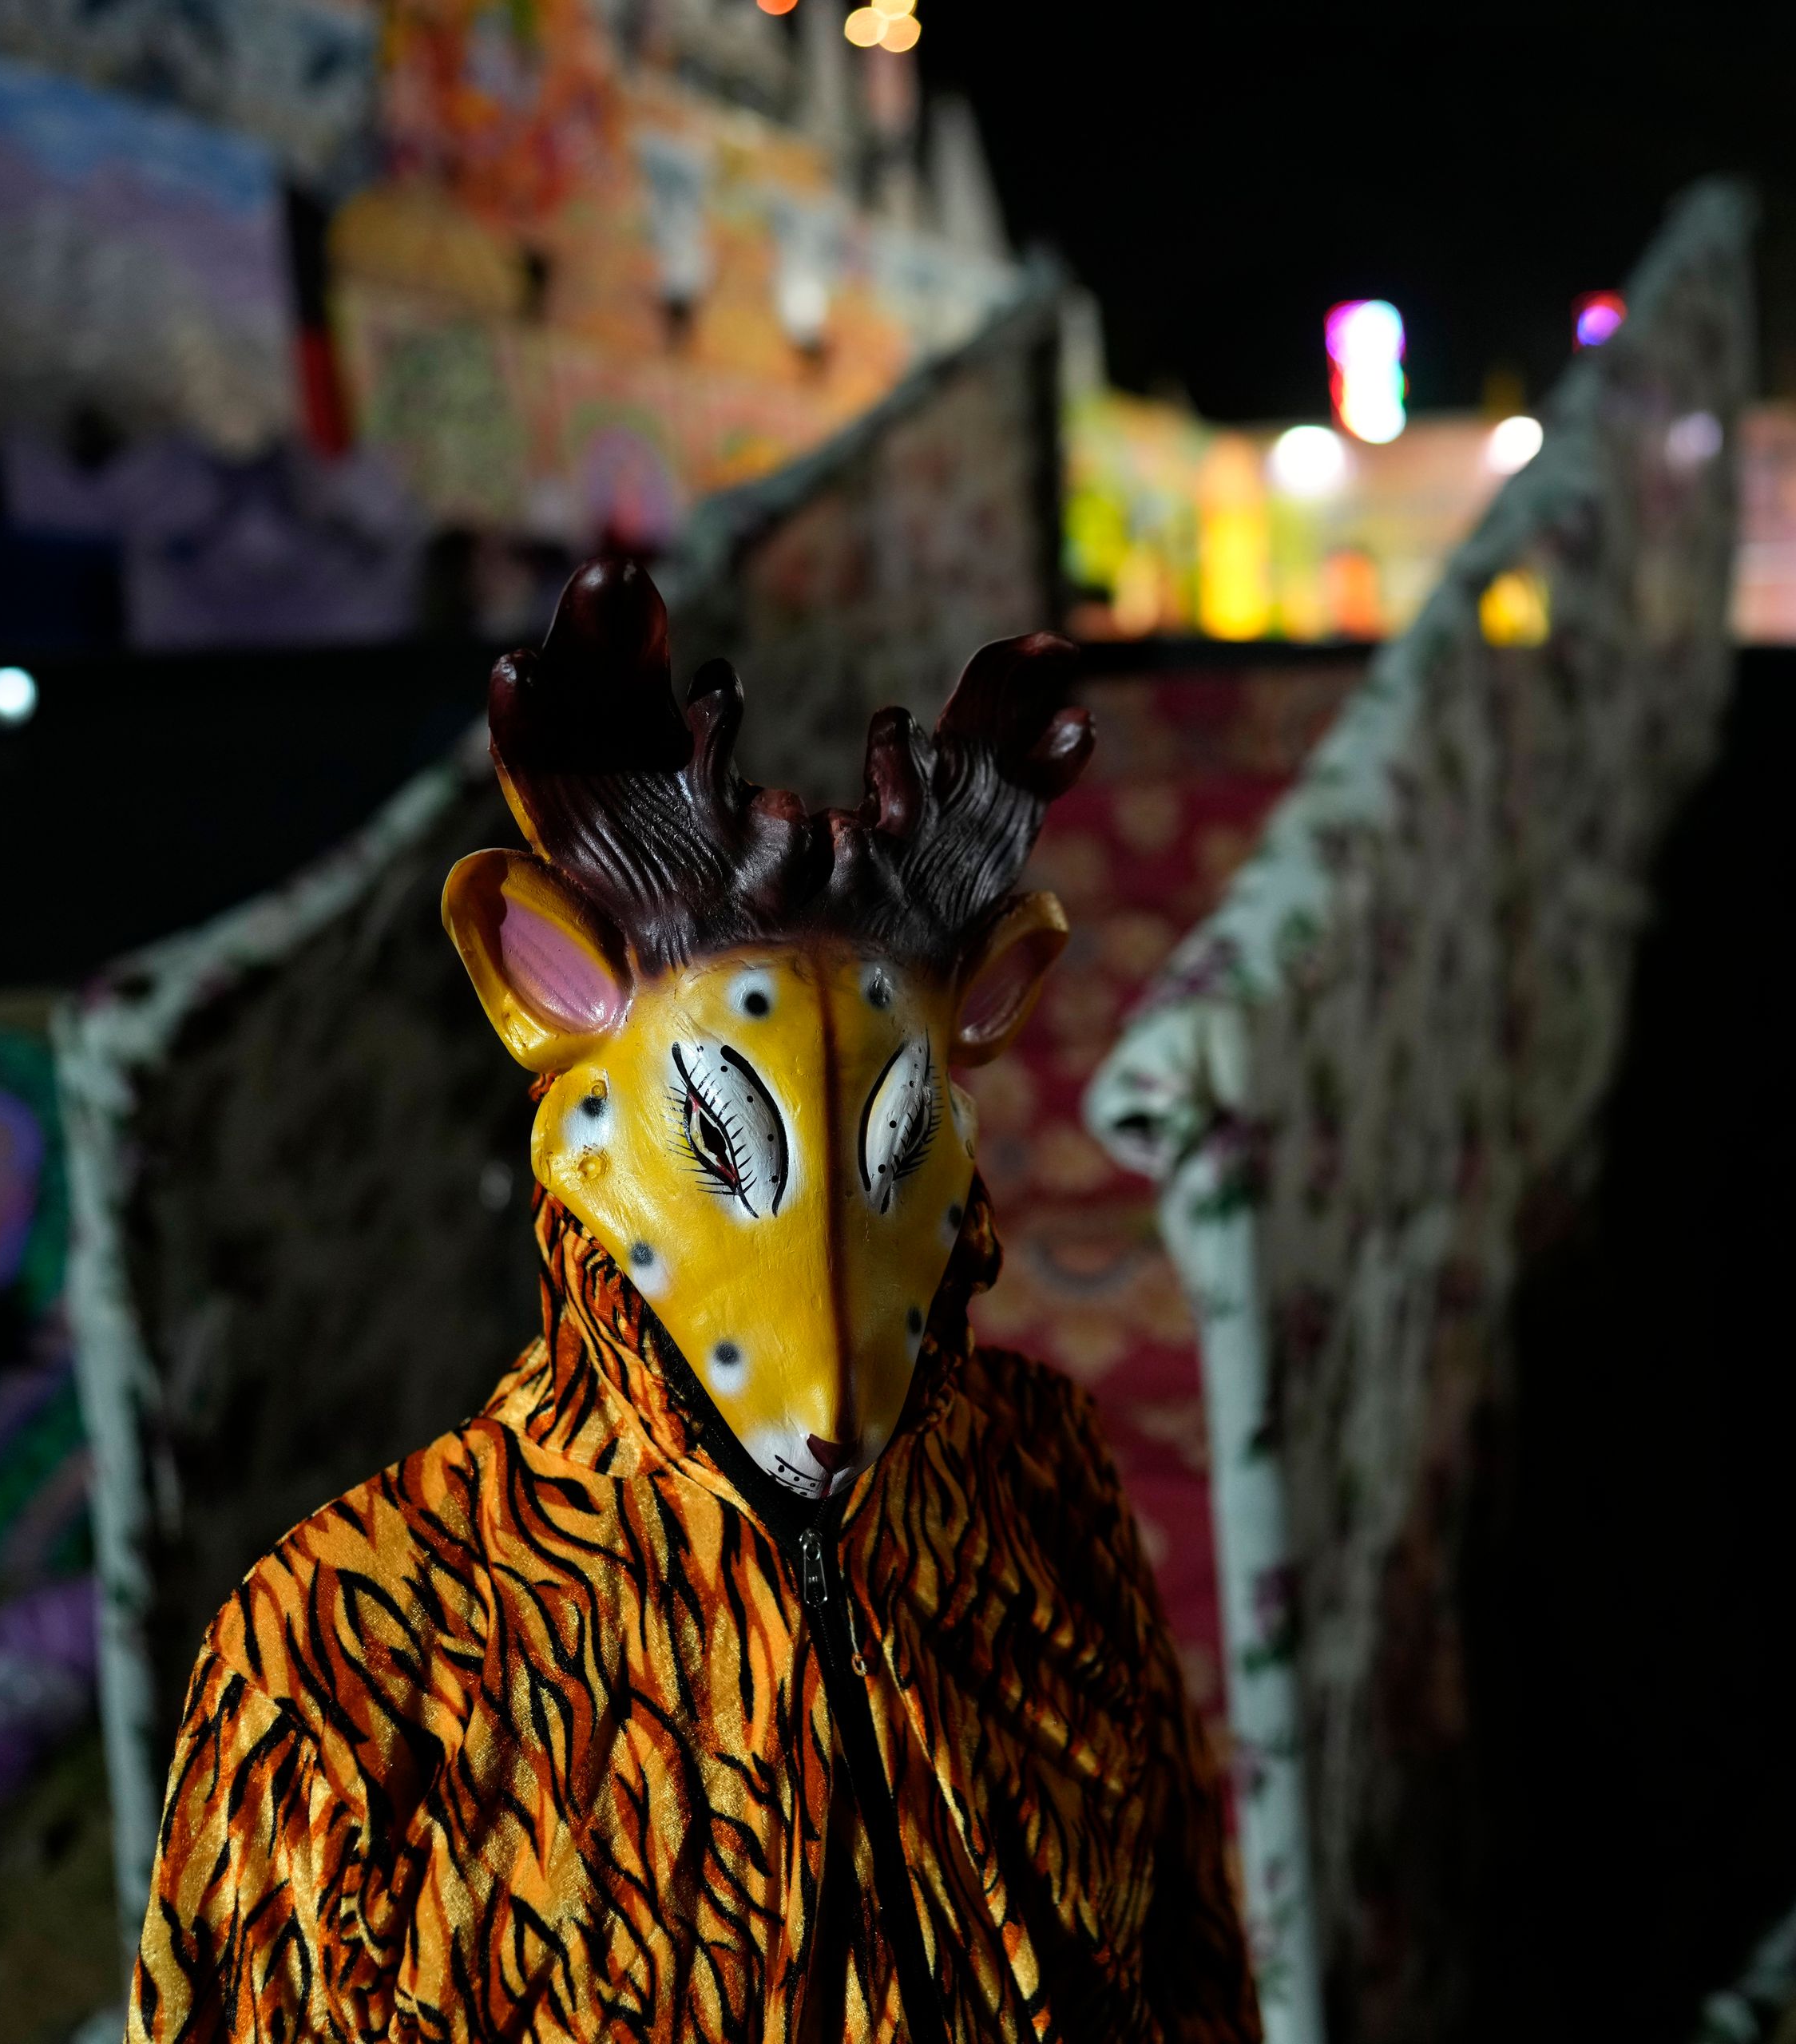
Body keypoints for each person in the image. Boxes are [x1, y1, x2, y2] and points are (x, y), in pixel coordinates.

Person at [129, 560, 1256, 2042]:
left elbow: (1180, 1952)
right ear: (536, 981)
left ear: (986, 1022)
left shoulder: (1037, 1485)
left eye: (895, 1145)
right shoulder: (349, 1649)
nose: (828, 1367)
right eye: (726, 1137)